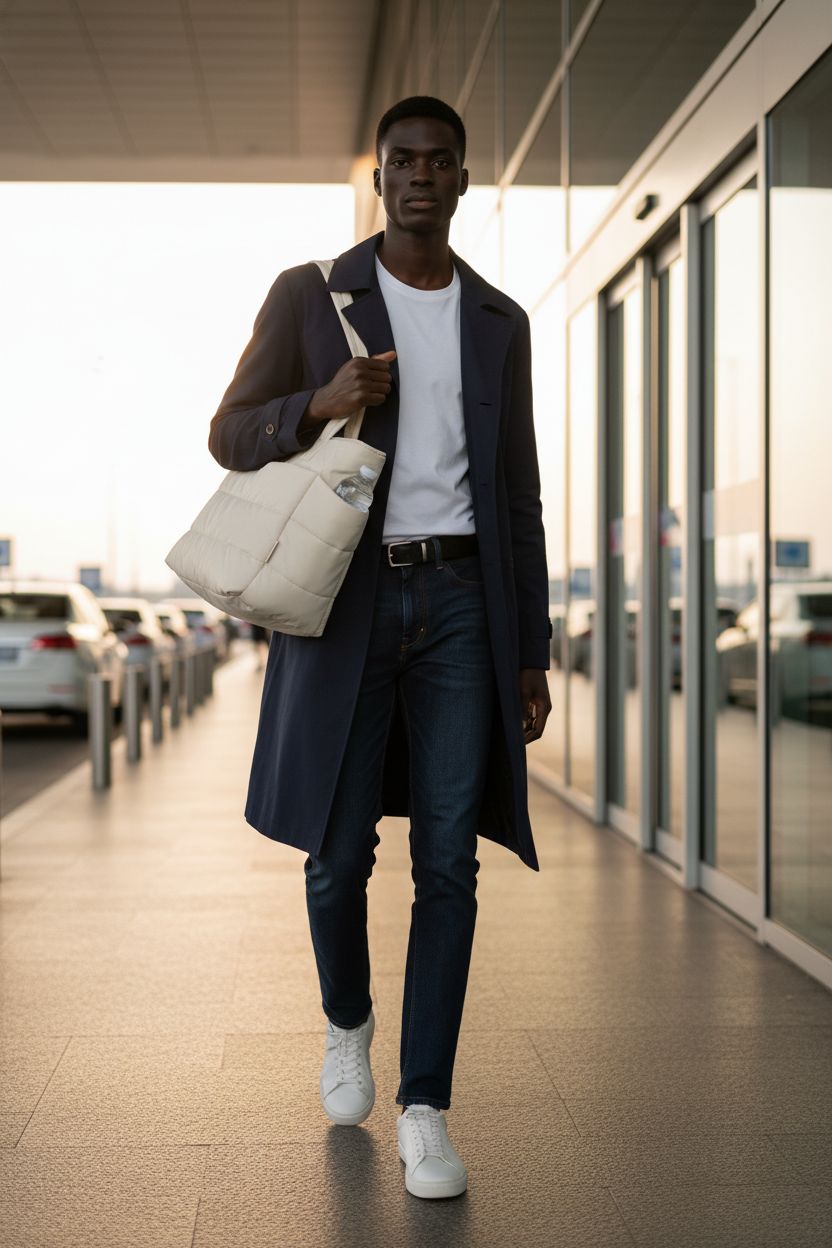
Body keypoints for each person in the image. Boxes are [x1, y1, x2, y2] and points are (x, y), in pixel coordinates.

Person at [208, 95, 552, 1201]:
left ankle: (426, 1106)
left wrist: (529, 650)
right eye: (400, 160)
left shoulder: (498, 318)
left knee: (448, 860)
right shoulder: (312, 295)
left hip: (461, 605)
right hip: (346, 600)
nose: (417, 177)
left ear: (460, 181)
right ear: (380, 178)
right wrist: (316, 402)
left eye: (438, 162)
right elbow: (229, 428)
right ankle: (347, 1022)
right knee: (335, 850)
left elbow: (519, 496)